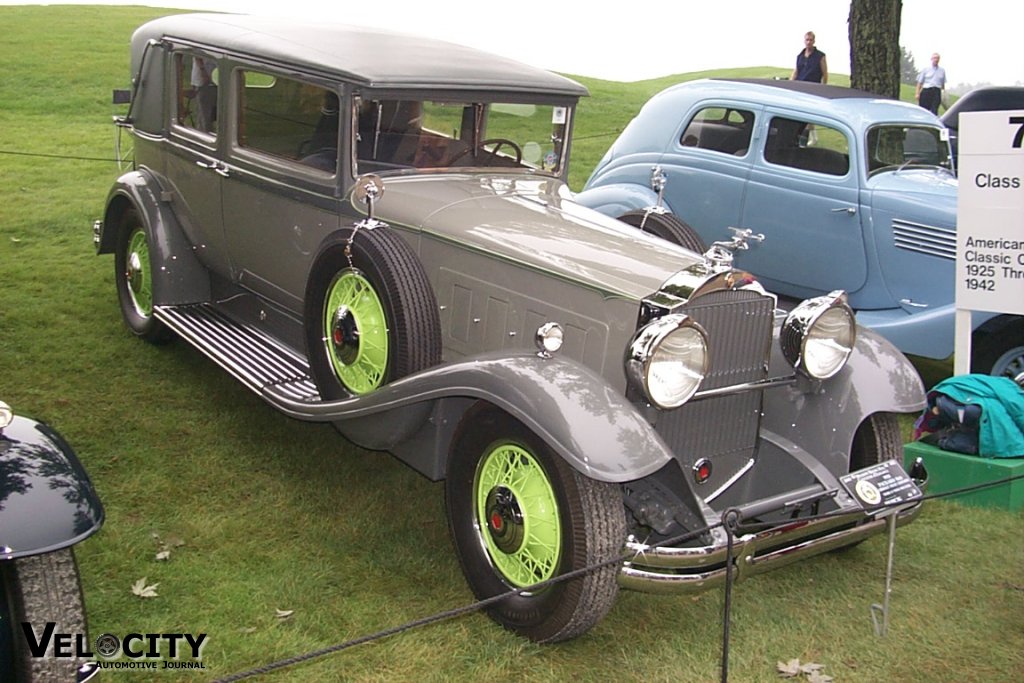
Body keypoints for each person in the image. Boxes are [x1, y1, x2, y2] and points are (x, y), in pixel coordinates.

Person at [190, 56, 217, 133]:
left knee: (209, 115)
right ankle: (205, 134)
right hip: (204, 82)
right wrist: (203, 72)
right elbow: (197, 54)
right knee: (205, 118)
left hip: (214, 80)